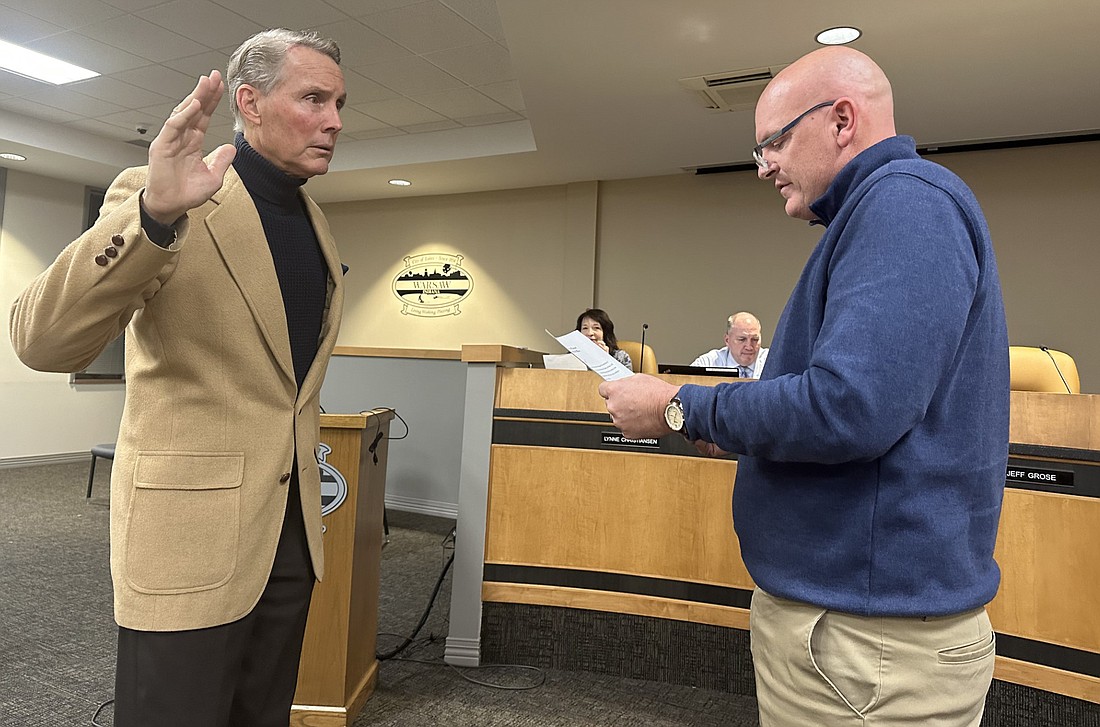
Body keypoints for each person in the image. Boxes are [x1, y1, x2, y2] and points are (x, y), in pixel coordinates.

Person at [598, 46, 1007, 727]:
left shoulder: (906, 204)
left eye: (772, 143)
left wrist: (678, 406)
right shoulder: (875, 213)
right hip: (853, 640)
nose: (764, 166)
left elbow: (850, 408)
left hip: (865, 649)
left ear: (842, 120)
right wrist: (747, 439)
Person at [10, 28, 348, 727]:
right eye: (313, 98)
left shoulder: (315, 223)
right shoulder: (164, 198)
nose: (335, 120)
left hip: (288, 537)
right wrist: (155, 216)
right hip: (186, 540)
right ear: (249, 103)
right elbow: (40, 339)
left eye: (340, 102)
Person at [690, 311, 769, 378]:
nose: (749, 347)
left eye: (755, 339)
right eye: (742, 339)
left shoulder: (772, 360)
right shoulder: (709, 362)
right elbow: (681, 387)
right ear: (727, 340)